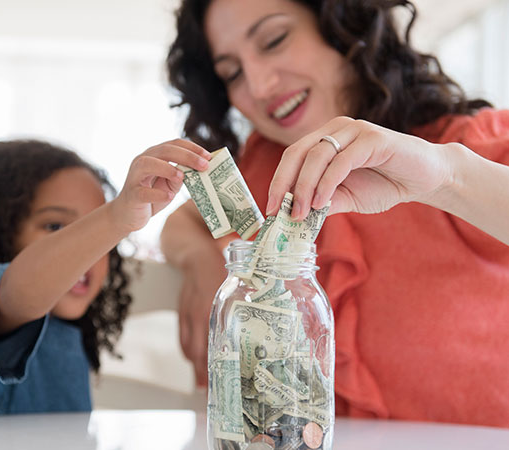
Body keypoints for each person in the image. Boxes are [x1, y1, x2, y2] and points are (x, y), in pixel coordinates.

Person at [161, 0, 509, 427]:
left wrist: (446, 178)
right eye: (231, 72)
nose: (260, 84)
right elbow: (184, 221)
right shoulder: (264, 164)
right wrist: (200, 259)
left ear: (343, 30)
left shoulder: (473, 147)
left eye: (274, 40)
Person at [0, 138, 210, 420]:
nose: (90, 249)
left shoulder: (70, 335)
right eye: (55, 227)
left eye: (97, 234)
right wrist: (115, 217)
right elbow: (18, 292)